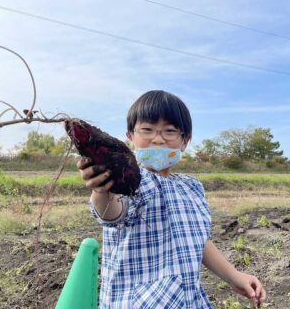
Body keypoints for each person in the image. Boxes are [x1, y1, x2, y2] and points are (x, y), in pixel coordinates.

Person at [77, 90, 266, 308]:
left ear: (184, 140)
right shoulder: (130, 182)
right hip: (138, 302)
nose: (157, 139)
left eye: (169, 131)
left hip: (187, 300)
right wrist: (103, 189)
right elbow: (111, 214)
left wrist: (235, 276)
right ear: (130, 137)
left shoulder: (191, 187)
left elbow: (197, 240)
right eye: (147, 130)